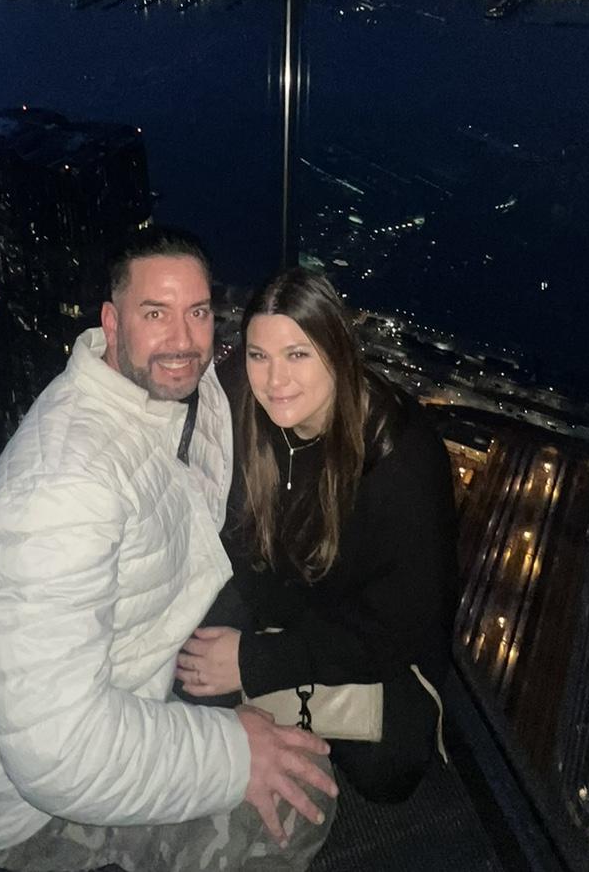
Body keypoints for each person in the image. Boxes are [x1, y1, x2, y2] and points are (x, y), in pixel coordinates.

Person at [0, 226, 338, 871]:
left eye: (197, 313)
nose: (182, 340)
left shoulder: (173, 391)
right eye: (155, 314)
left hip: (129, 682)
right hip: (29, 805)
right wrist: (235, 753)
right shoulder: (58, 495)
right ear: (111, 323)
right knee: (296, 806)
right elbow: (58, 754)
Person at [176, 268, 458, 803]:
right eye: (259, 355)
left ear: (338, 353)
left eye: (298, 354)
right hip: (276, 598)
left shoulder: (401, 458)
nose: (275, 380)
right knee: (186, 672)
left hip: (363, 630)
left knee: (389, 771)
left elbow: (400, 626)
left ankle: (273, 703)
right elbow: (226, 533)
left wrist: (254, 660)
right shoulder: (241, 398)